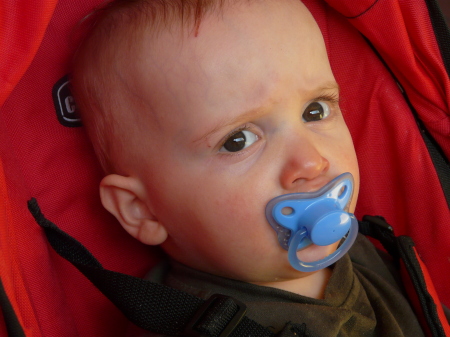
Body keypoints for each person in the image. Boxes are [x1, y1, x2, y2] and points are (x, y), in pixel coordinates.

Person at [70, 0, 446, 335]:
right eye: (239, 140)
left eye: (315, 110)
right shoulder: (186, 324)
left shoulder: (369, 252)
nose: (311, 161)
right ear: (143, 209)